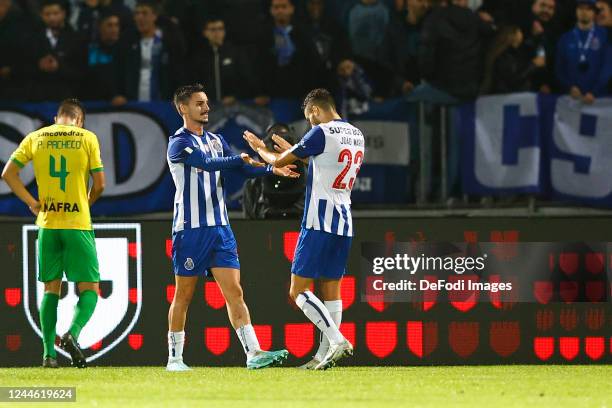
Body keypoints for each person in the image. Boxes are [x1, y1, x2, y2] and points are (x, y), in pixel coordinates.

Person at [165, 84, 299, 371]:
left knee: (234, 292)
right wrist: (237, 159)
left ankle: (253, 353)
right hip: (191, 229)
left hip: (220, 229)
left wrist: (270, 169)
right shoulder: (177, 142)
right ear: (182, 108)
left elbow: (240, 168)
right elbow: (207, 164)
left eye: (206, 102)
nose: (206, 107)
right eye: (199, 103)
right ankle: (174, 358)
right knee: (184, 294)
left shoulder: (216, 140)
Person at [243, 88, 364, 370]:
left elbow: (276, 162)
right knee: (332, 286)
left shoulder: (321, 131)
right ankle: (324, 356)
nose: (310, 125)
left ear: (315, 111)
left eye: (310, 119)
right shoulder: (356, 134)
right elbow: (326, 163)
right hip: (343, 220)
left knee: (297, 289)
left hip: (318, 220)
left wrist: (260, 147)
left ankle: (336, 340)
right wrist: (297, 152)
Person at [1, 99, 105, 369]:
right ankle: (73, 333)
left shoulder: (36, 137)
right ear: (79, 120)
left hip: (47, 223)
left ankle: (48, 355)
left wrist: (31, 202)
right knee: (90, 288)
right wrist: (86, 203)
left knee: (51, 289)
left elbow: (8, 174)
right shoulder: (87, 138)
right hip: (77, 223)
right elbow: (100, 184)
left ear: (56, 117)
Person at [117, 0, 186, 102]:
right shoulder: (127, 43)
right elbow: (119, 71)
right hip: (133, 106)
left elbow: (178, 72)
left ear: (154, 16)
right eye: (137, 13)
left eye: (144, 13)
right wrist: (118, 94)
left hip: (163, 104)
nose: (140, 17)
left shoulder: (168, 42)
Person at [23, 0, 87, 102]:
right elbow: (23, 69)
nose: (52, 17)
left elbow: (82, 71)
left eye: (55, 13)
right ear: (41, 15)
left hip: (67, 98)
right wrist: (39, 66)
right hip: (38, 99)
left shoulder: (76, 39)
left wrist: (59, 67)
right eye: (47, 14)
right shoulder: (32, 39)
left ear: (63, 14)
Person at [188, 17, 256, 105]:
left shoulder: (235, 53)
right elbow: (194, 81)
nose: (217, 32)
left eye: (220, 29)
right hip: (208, 107)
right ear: (205, 33)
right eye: (213, 29)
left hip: (233, 105)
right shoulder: (199, 56)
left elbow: (246, 78)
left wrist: (235, 96)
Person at [556, 0, 609, 103]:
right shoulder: (565, 38)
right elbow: (559, 68)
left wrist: (594, 92)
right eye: (580, 8)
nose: (584, 12)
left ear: (594, 12)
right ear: (576, 11)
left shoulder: (604, 36)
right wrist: (570, 87)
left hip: (599, 99)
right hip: (572, 98)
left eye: (588, 9)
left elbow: (607, 67)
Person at [481, 25, 546, 94]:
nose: (522, 33)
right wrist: (533, 65)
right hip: (506, 98)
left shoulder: (516, 52)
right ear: (513, 36)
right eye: (519, 31)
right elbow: (512, 80)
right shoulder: (504, 56)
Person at [83, 11, 124, 103]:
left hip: (119, 104)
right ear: (100, 27)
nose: (114, 29)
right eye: (110, 25)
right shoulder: (88, 50)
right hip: (93, 105)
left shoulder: (125, 51)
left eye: (116, 25)